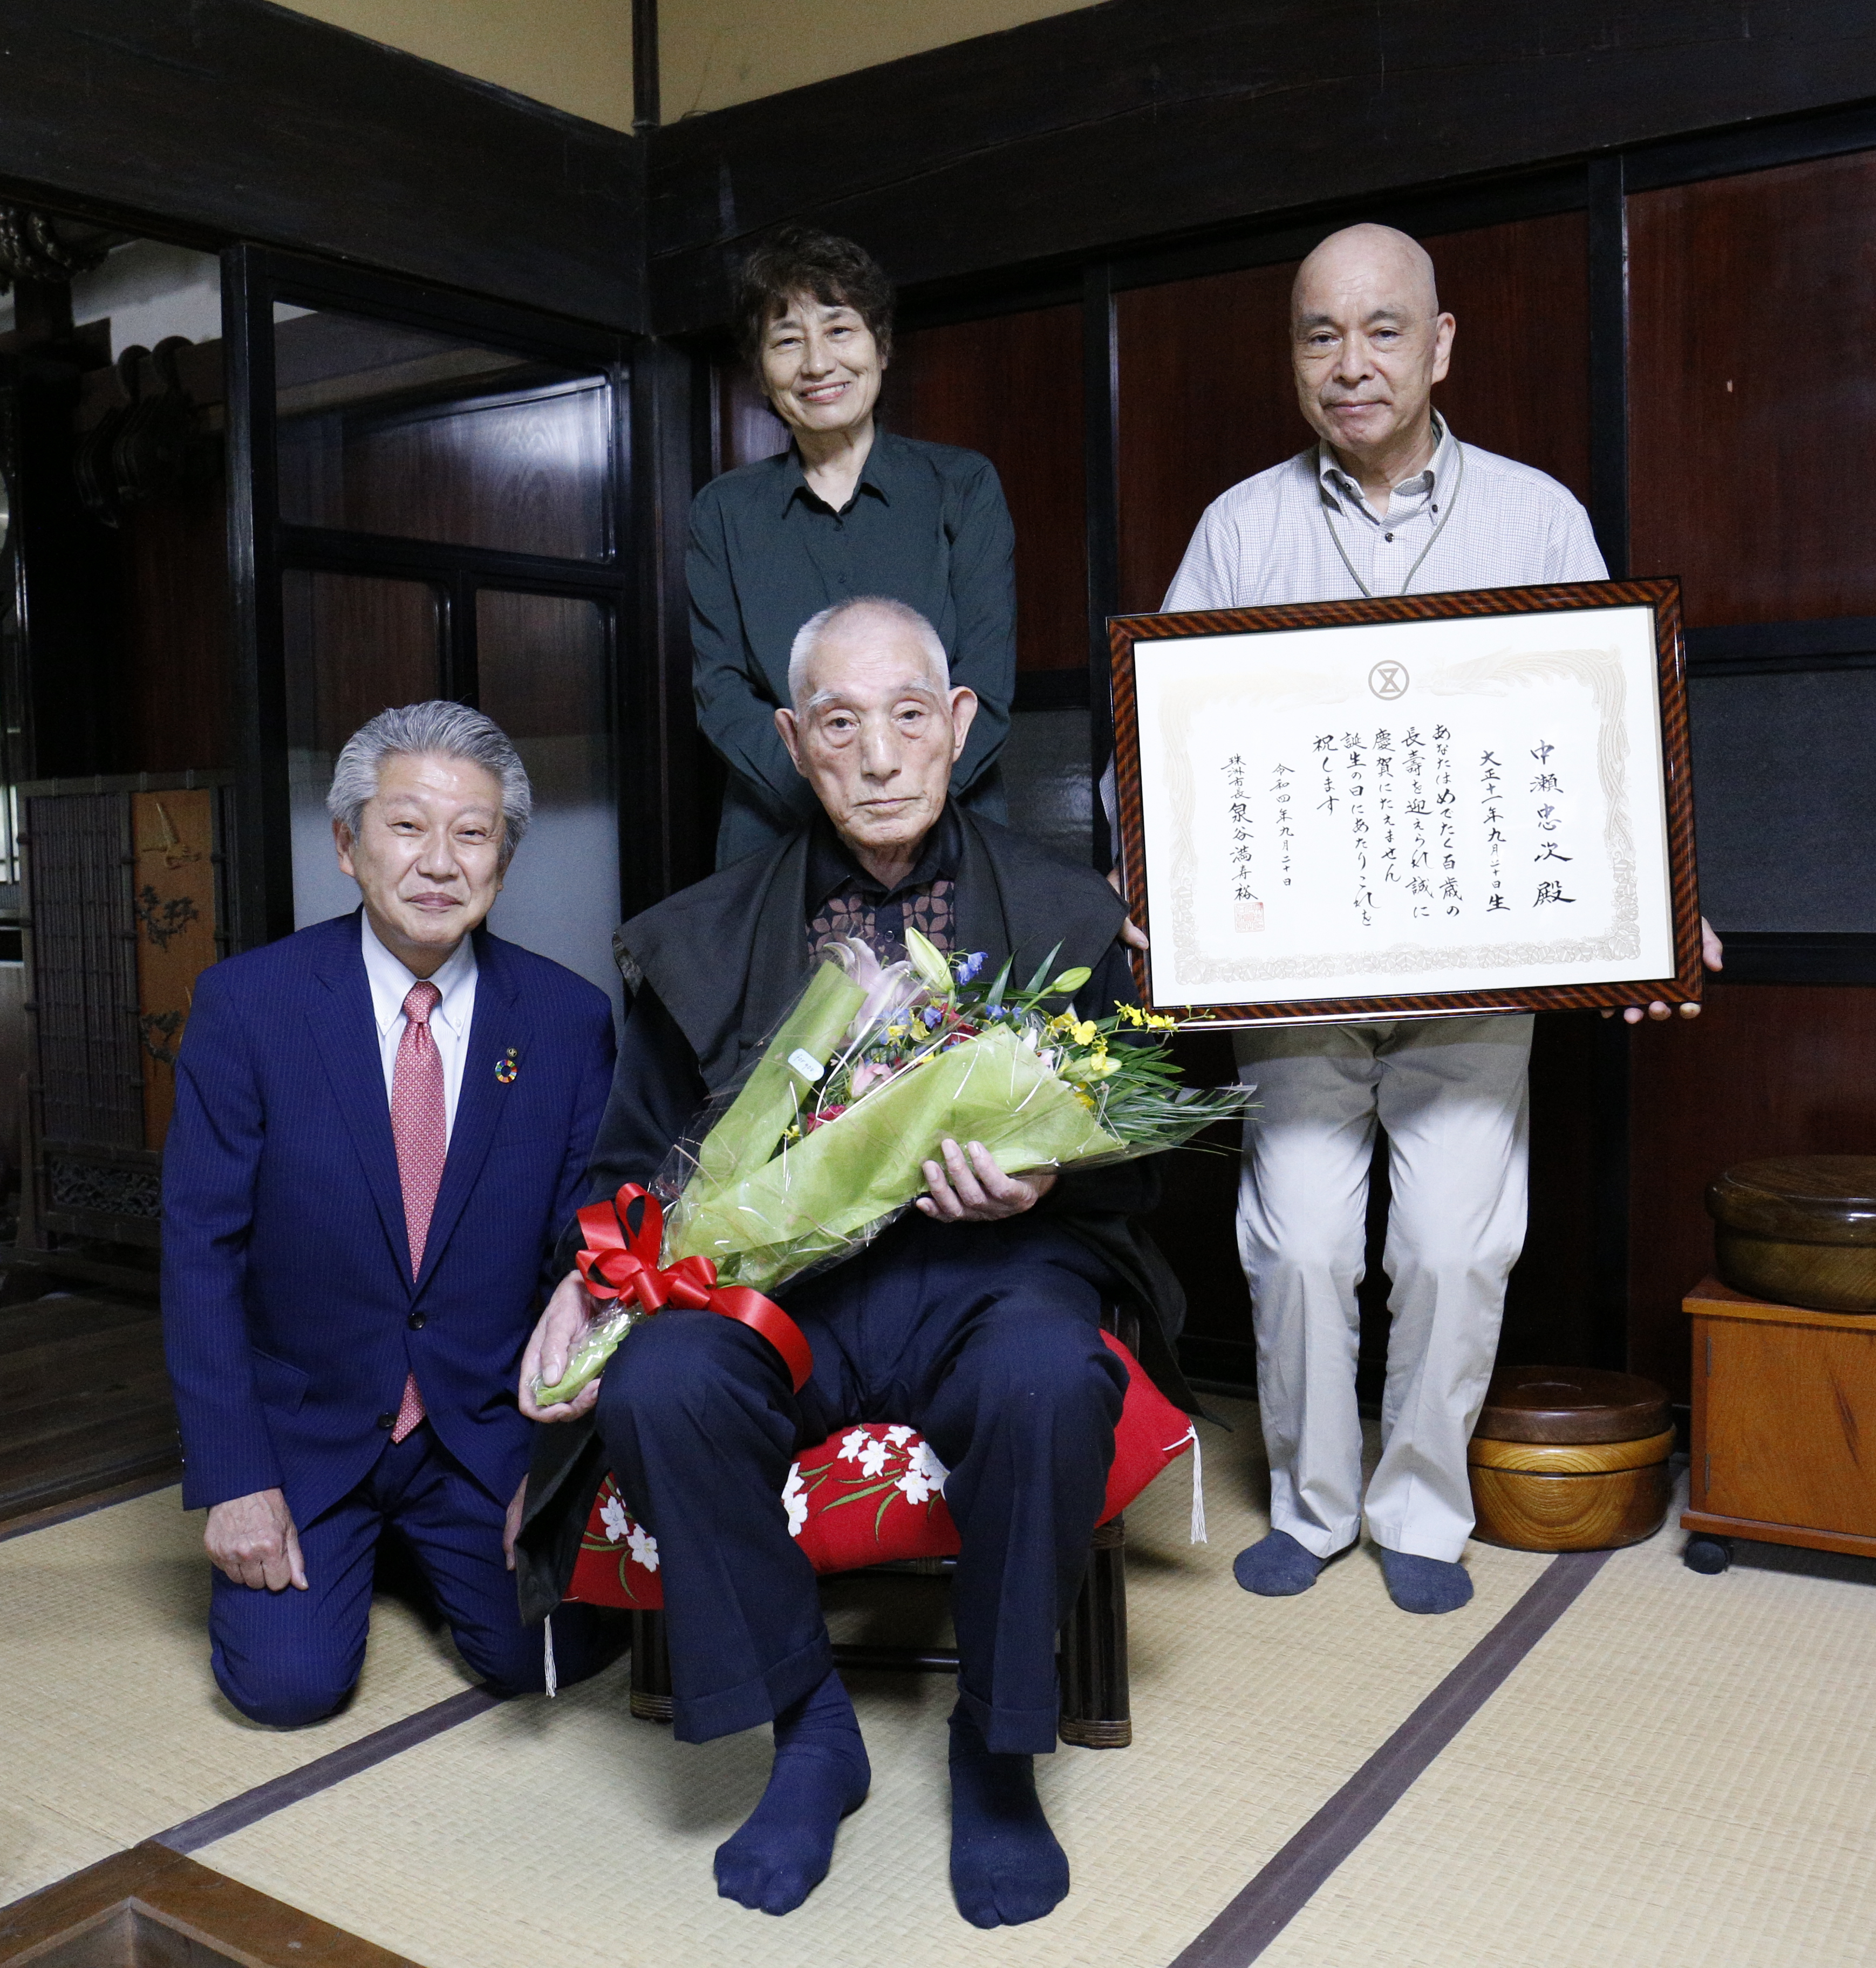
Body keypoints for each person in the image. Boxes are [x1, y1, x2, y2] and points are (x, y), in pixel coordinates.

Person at [510, 597, 1189, 1929]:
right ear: (789, 743)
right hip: (781, 1297)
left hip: (995, 1275)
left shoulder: (1069, 915)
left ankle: (996, 1747)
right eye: (838, 723)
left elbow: (1149, 1167)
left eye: (905, 717)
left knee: (1049, 1375)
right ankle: (807, 1723)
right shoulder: (702, 935)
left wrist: (1048, 1174)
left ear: (959, 726)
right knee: (662, 1389)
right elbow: (630, 1161)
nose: (877, 755)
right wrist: (592, 1271)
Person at [1161, 223, 1720, 1617]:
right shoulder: (1241, 528)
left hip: (1477, 976)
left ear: (1442, 343)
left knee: (1456, 1249)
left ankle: (1421, 1506)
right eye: (1319, 335)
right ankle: (1312, 1502)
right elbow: (1158, 744)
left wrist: (1660, 908)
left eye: (1383, 330)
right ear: (1291, 352)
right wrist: (1156, 882)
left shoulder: (1536, 517)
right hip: (1291, 976)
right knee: (1297, 1248)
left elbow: (1614, 730)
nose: (1351, 365)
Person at [163, 702, 618, 1723]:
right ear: (346, 844)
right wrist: (235, 1478)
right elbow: (200, 1253)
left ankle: (422, 1548)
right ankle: (358, 1544)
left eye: (474, 832)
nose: (440, 861)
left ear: (505, 856)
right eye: (407, 825)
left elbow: (582, 1264)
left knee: (543, 1658)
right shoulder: (248, 1006)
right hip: (308, 1428)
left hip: (483, 1426)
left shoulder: (567, 1018)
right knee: (288, 1689)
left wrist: (545, 1476)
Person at [688, 224, 1017, 866]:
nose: (817, 364)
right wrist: (841, 807)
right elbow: (722, 695)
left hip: (948, 826)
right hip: (778, 834)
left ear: (882, 347)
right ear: (761, 370)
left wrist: (903, 811)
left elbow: (987, 685)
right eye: (788, 341)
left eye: (840, 331)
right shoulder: (723, 510)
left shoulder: (962, 486)